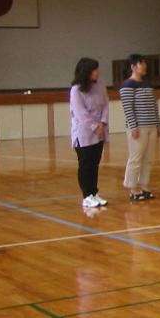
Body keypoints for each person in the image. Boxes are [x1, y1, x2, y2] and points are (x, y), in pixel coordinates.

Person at [119, 54, 160, 201]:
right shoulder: (127, 85)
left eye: (144, 63)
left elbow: (154, 106)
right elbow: (128, 108)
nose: (144, 66)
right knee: (136, 158)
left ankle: (144, 186)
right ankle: (133, 188)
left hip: (151, 126)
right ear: (133, 67)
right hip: (139, 127)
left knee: (148, 158)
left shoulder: (147, 84)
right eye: (140, 63)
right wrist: (133, 127)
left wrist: (158, 124)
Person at [69, 57, 109, 209]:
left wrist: (103, 123)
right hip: (84, 133)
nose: (97, 72)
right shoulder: (76, 90)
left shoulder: (100, 85)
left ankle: (94, 192)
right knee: (85, 164)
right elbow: (80, 113)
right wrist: (94, 126)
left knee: (95, 163)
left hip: (99, 131)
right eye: (94, 70)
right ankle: (86, 195)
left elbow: (105, 105)